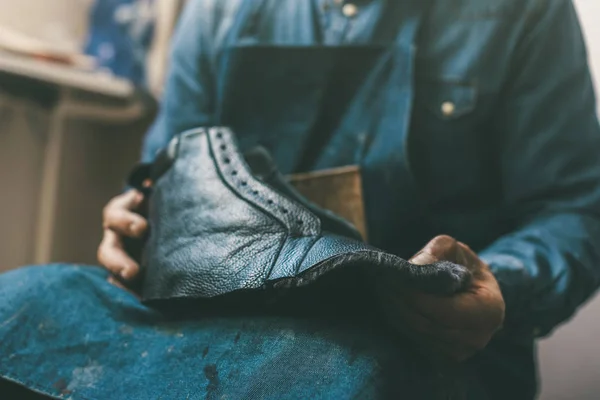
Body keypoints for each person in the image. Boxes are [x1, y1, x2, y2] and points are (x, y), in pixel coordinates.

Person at [1, 0, 600, 398]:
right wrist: (143, 219)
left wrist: (499, 287)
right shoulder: (219, 10)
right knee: (22, 302)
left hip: (438, 348)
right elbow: (170, 172)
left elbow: (574, 210)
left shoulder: (524, 12)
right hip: (236, 335)